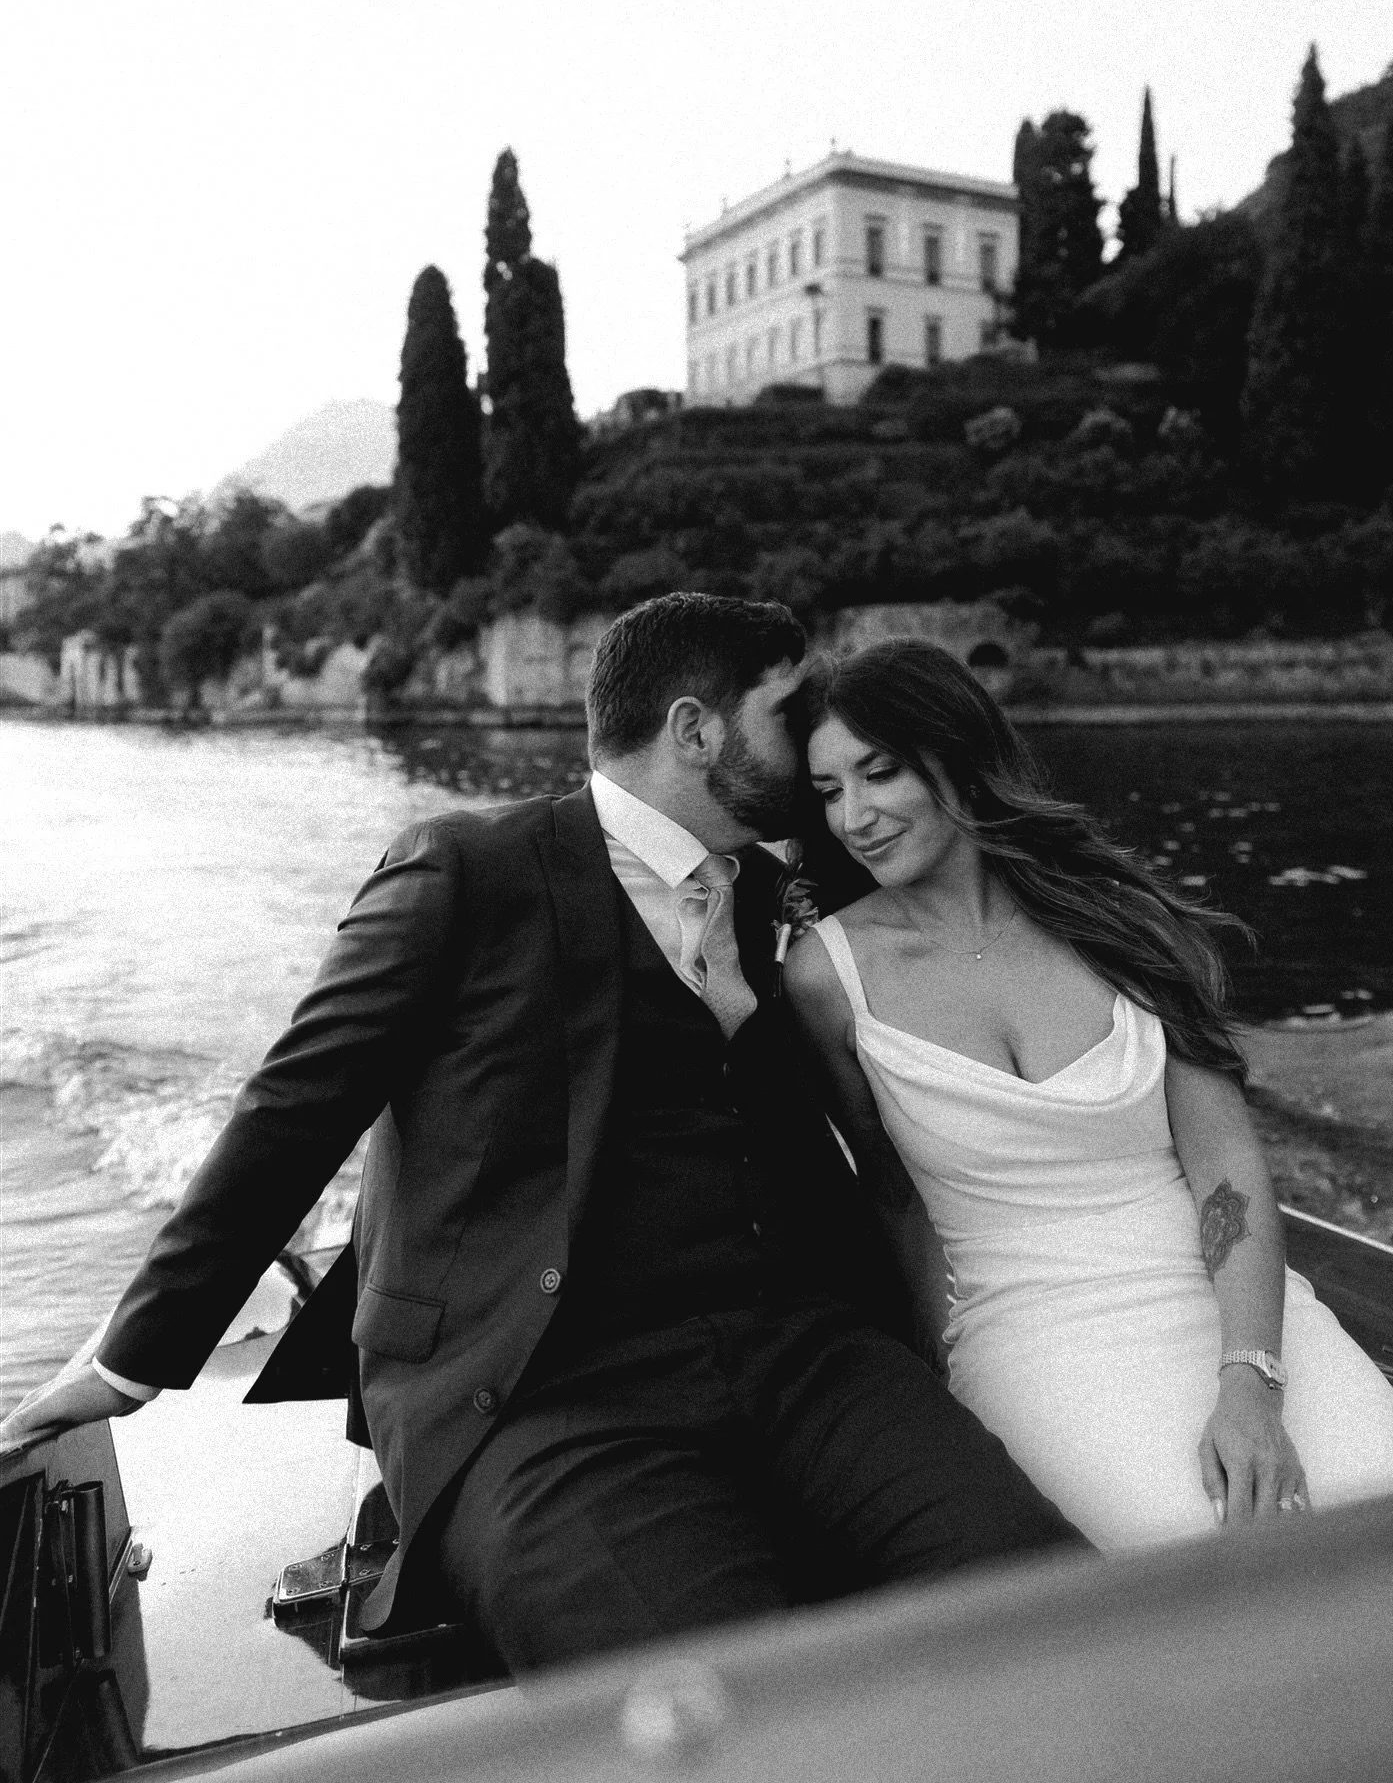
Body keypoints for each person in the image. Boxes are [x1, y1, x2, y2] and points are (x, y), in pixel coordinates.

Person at [0, 595, 1082, 1671]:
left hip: (808, 1355)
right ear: (697, 729)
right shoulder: (466, 872)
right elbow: (293, 1108)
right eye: (787, 711)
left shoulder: (767, 890)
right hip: (544, 1400)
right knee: (710, 1706)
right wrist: (136, 1362)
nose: (815, 745)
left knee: (1053, 1609)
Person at [784, 639, 1393, 1552]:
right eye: (826, 791)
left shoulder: (1123, 921)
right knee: (1190, 1549)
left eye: (879, 773)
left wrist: (1250, 1377)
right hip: (1030, 1337)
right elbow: (891, 1195)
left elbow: (1224, 1168)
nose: (853, 815)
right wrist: (927, 1382)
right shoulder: (826, 978)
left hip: (1224, 1297)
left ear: (956, 755)